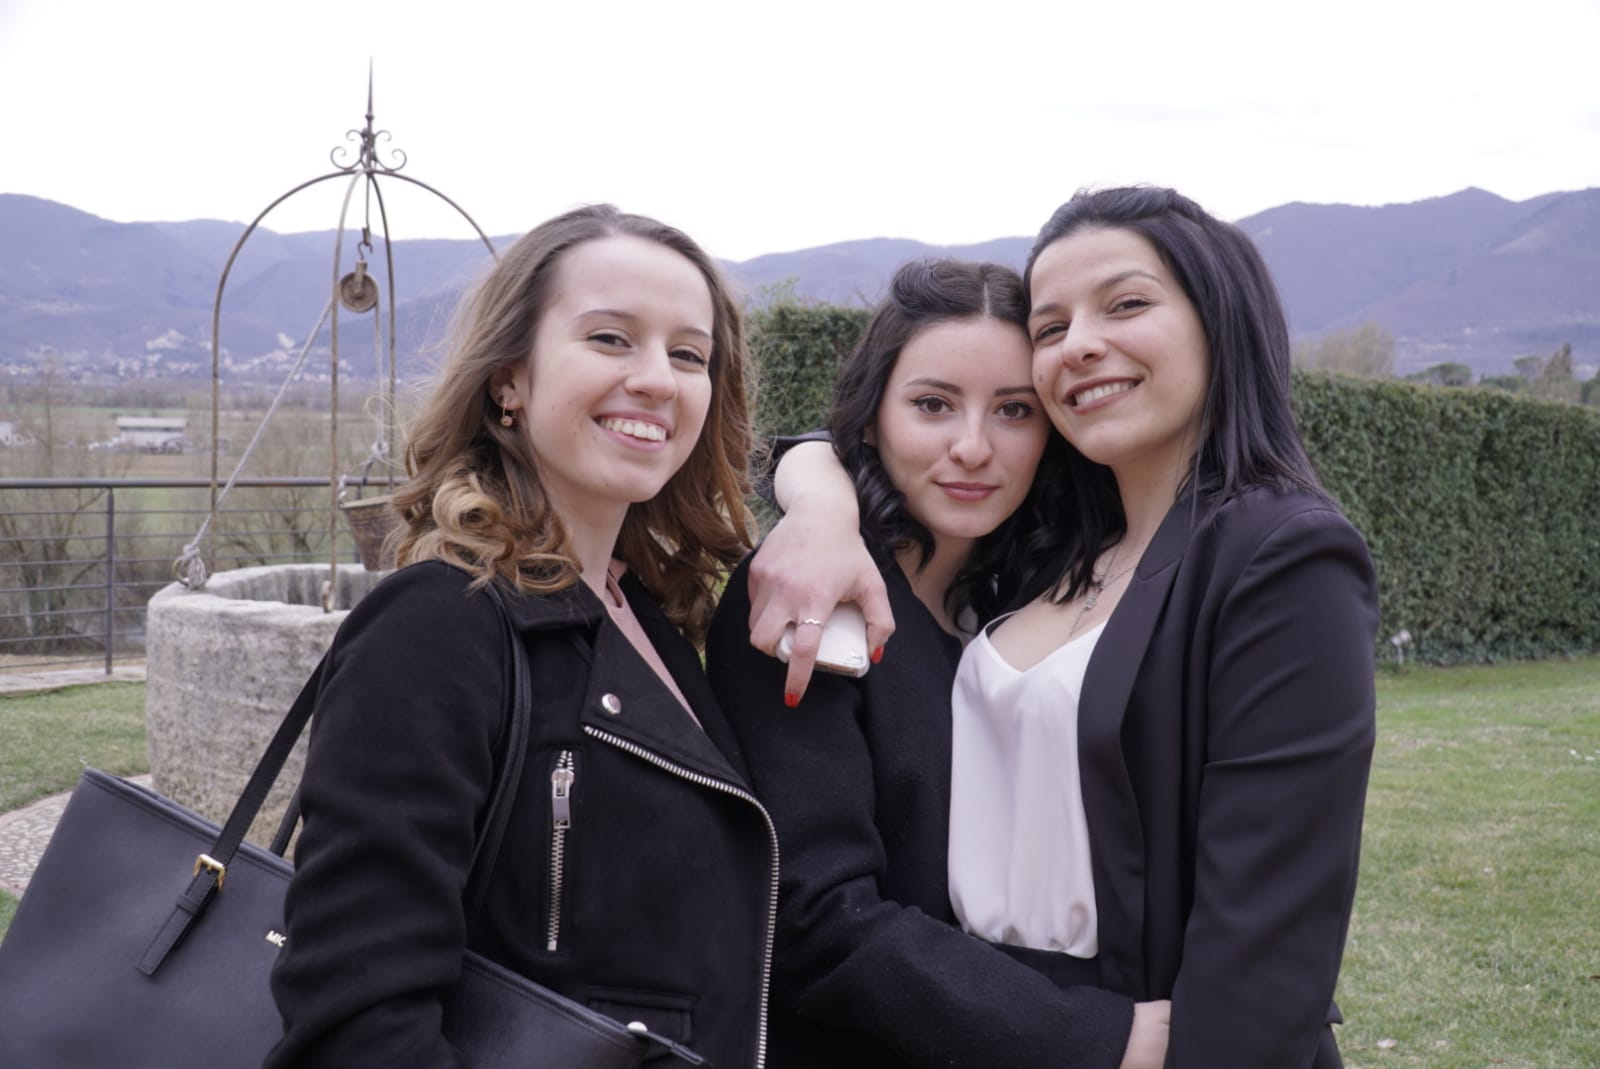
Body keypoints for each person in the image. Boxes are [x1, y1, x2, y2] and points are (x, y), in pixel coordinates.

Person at [750, 186, 1378, 1067]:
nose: (1079, 343)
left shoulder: (1279, 551)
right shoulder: (1046, 555)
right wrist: (817, 495)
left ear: (1219, 318)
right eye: (1051, 325)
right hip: (991, 1028)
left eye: (1125, 303)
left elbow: (1268, 938)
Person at [267, 204, 777, 1068]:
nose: (659, 379)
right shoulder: (439, 624)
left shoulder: (648, 615)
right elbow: (356, 1023)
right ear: (509, 379)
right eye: (611, 338)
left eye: (689, 355)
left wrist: (820, 490)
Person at [707, 259, 1171, 1068]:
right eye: (932, 404)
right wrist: (1093, 1037)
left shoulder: (1023, 598)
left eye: (1014, 410)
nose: (972, 448)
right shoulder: (812, 595)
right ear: (872, 417)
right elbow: (817, 920)